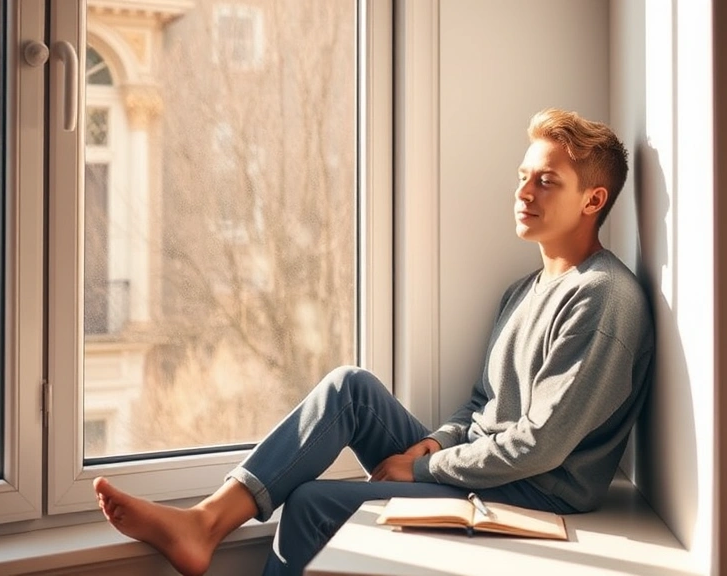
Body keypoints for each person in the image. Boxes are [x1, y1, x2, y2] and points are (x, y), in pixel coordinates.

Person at [93, 108, 654, 576]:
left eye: (546, 181)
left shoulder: (602, 298)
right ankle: (206, 522)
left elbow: (540, 447)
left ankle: (205, 527)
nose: (523, 192)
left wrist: (423, 470)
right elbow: (483, 402)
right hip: (483, 466)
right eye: (523, 176)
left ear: (592, 200)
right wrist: (432, 444)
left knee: (312, 504)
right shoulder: (524, 290)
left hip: (535, 494)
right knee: (351, 388)